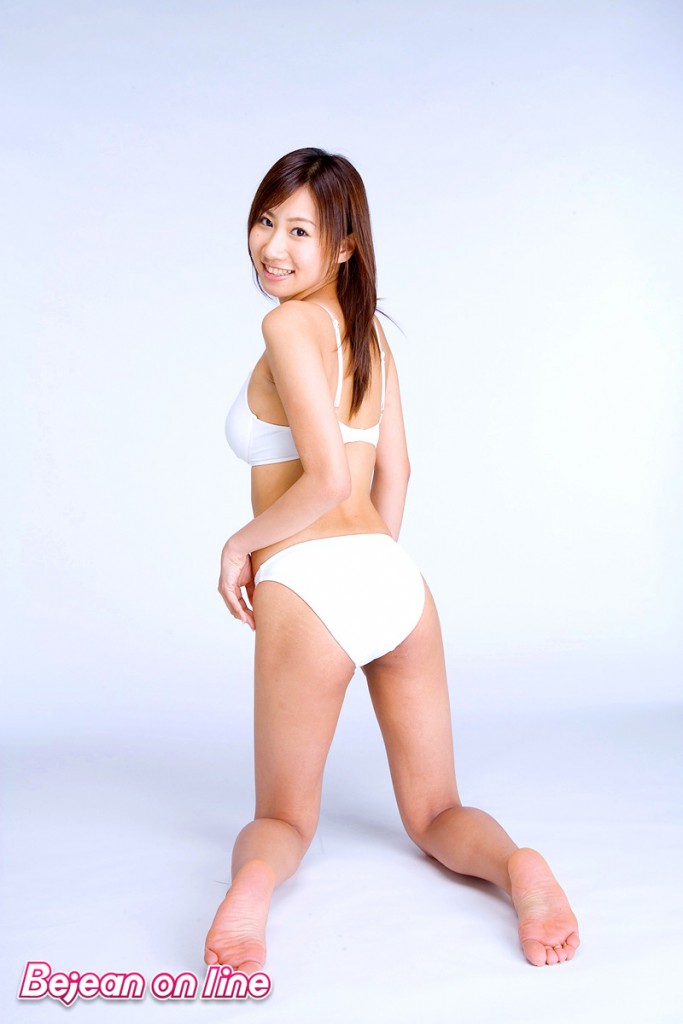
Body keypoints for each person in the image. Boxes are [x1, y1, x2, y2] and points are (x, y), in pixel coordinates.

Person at [204, 147, 580, 973]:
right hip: (391, 577)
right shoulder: (369, 332)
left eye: (299, 231)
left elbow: (327, 479)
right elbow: (395, 472)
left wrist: (241, 543)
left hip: (307, 579)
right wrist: (372, 580)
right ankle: (518, 866)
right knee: (437, 813)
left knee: (284, 820)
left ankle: (249, 897)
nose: (272, 246)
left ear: (343, 246)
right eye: (266, 221)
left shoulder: (286, 325)